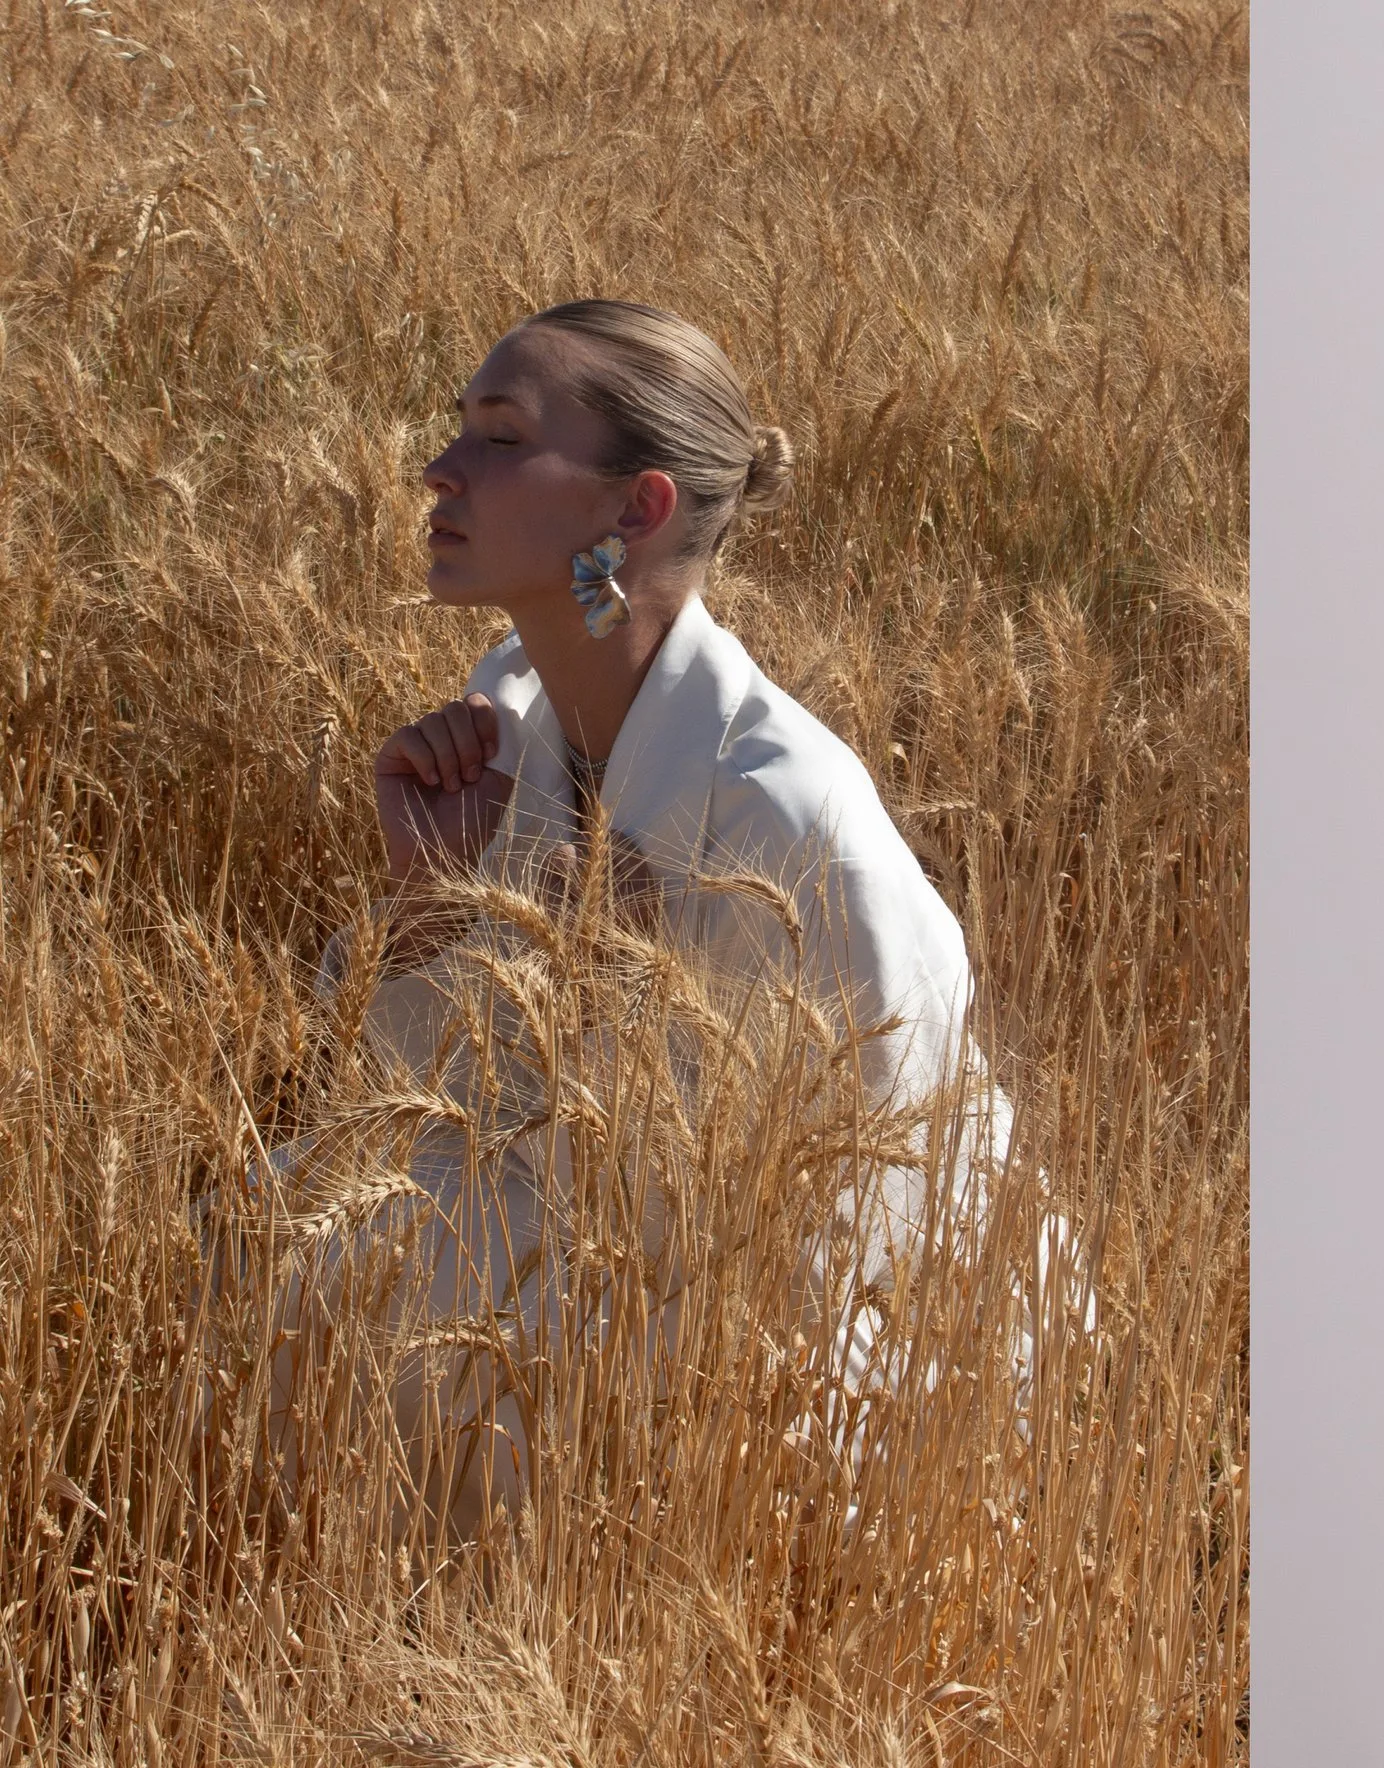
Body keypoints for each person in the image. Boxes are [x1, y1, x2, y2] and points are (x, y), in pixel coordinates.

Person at [246, 298, 1085, 1539]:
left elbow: (857, 1228)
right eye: (458, 430)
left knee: (433, 1311)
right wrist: (425, 903)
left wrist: (616, 986)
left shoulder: (789, 817)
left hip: (800, 1341)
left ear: (633, 509)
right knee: (271, 1234)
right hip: (577, 1252)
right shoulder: (509, 701)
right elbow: (391, 1090)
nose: (440, 468)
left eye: (499, 435)